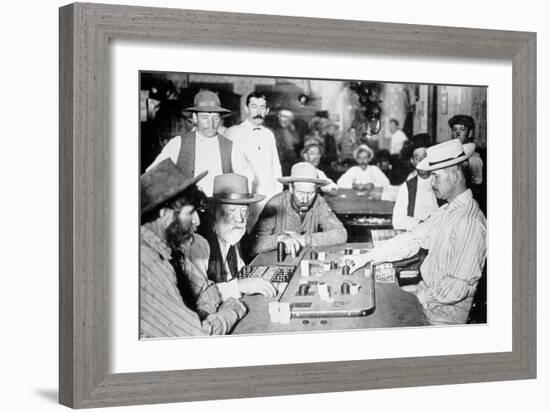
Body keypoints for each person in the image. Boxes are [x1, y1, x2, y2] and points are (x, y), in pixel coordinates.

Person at [346, 139, 487, 325]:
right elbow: (413, 239)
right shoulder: (447, 211)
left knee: (374, 322)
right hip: (429, 298)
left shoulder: (468, 222)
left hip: (441, 315)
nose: (431, 182)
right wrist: (369, 256)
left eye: (435, 176)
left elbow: (456, 288)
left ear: (454, 176)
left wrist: (417, 296)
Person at [140, 160, 247, 338]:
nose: (197, 221)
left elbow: (208, 290)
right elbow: (199, 336)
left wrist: (198, 316)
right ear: (166, 216)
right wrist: (233, 310)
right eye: (190, 213)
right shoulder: (147, 259)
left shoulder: (170, 251)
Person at [146, 90, 253, 196]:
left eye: (215, 118)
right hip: (188, 210)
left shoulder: (231, 147)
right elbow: (151, 176)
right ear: (194, 118)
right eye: (205, 117)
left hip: (220, 209)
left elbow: (247, 178)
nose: (211, 124)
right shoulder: (177, 144)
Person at [188, 173, 277, 300]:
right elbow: (199, 296)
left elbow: (239, 272)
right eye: (231, 211)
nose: (240, 219)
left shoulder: (231, 233)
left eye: (244, 211)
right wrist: (238, 287)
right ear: (214, 210)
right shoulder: (198, 244)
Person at [250, 162, 347, 256]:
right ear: (291, 188)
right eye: (300, 193)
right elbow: (253, 245)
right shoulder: (275, 205)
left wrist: (303, 239)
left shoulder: (319, 203)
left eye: (310, 194)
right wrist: (279, 239)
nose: (305, 200)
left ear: (317, 190)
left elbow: (340, 234)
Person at [225, 92, 283, 231]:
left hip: (269, 197)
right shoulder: (234, 132)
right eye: (254, 106)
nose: (258, 112)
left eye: (262, 107)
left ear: (267, 111)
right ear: (246, 109)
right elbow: (229, 168)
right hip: (246, 197)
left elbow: (276, 166)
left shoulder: (269, 134)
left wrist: (277, 195)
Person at [392, 134, 439, 231]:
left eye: (425, 157)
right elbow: (397, 221)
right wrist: (420, 223)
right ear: (412, 162)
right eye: (417, 158)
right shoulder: (408, 187)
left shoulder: (440, 181)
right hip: (416, 234)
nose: (422, 162)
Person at [448, 114, 486, 214]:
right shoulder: (451, 151)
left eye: (462, 129)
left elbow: (477, 186)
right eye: (454, 129)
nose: (457, 133)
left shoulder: (473, 157)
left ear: (469, 133)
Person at [273, 109, 301, 176]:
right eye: (281, 117)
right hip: (281, 159)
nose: (283, 120)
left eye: (287, 118)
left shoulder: (293, 131)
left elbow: (297, 142)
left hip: (292, 159)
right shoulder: (275, 132)